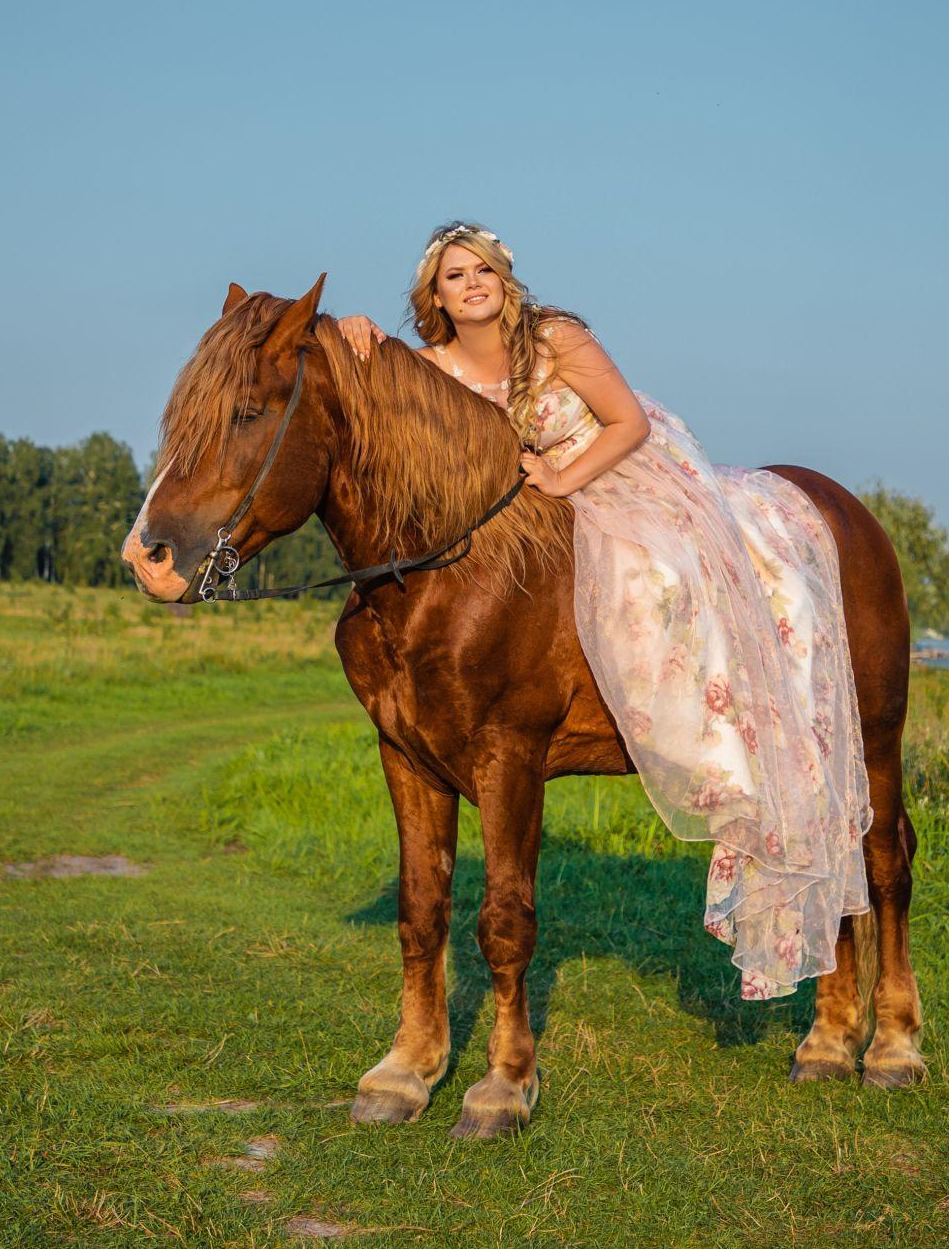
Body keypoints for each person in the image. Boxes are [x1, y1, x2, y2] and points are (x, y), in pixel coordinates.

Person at [337, 221, 871, 1000]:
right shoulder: (433, 368)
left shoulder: (553, 338)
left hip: (619, 472)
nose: (472, 282)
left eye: (482, 268)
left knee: (655, 579)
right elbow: (376, 389)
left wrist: (562, 479)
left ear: (504, 277)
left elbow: (630, 423)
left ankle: (717, 718)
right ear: (437, 295)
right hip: (522, 511)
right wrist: (356, 332)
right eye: (454, 275)